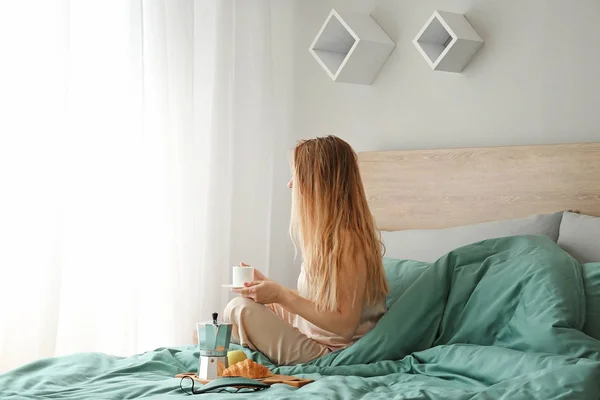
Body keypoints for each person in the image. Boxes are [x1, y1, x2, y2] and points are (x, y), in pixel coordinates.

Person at [224, 135, 389, 365]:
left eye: (298, 175)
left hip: (331, 353)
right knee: (241, 309)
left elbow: (344, 327)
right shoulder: (327, 237)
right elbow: (321, 304)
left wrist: (282, 295)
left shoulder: (348, 241)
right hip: (314, 334)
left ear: (319, 182)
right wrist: (271, 291)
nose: (291, 183)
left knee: (239, 310)